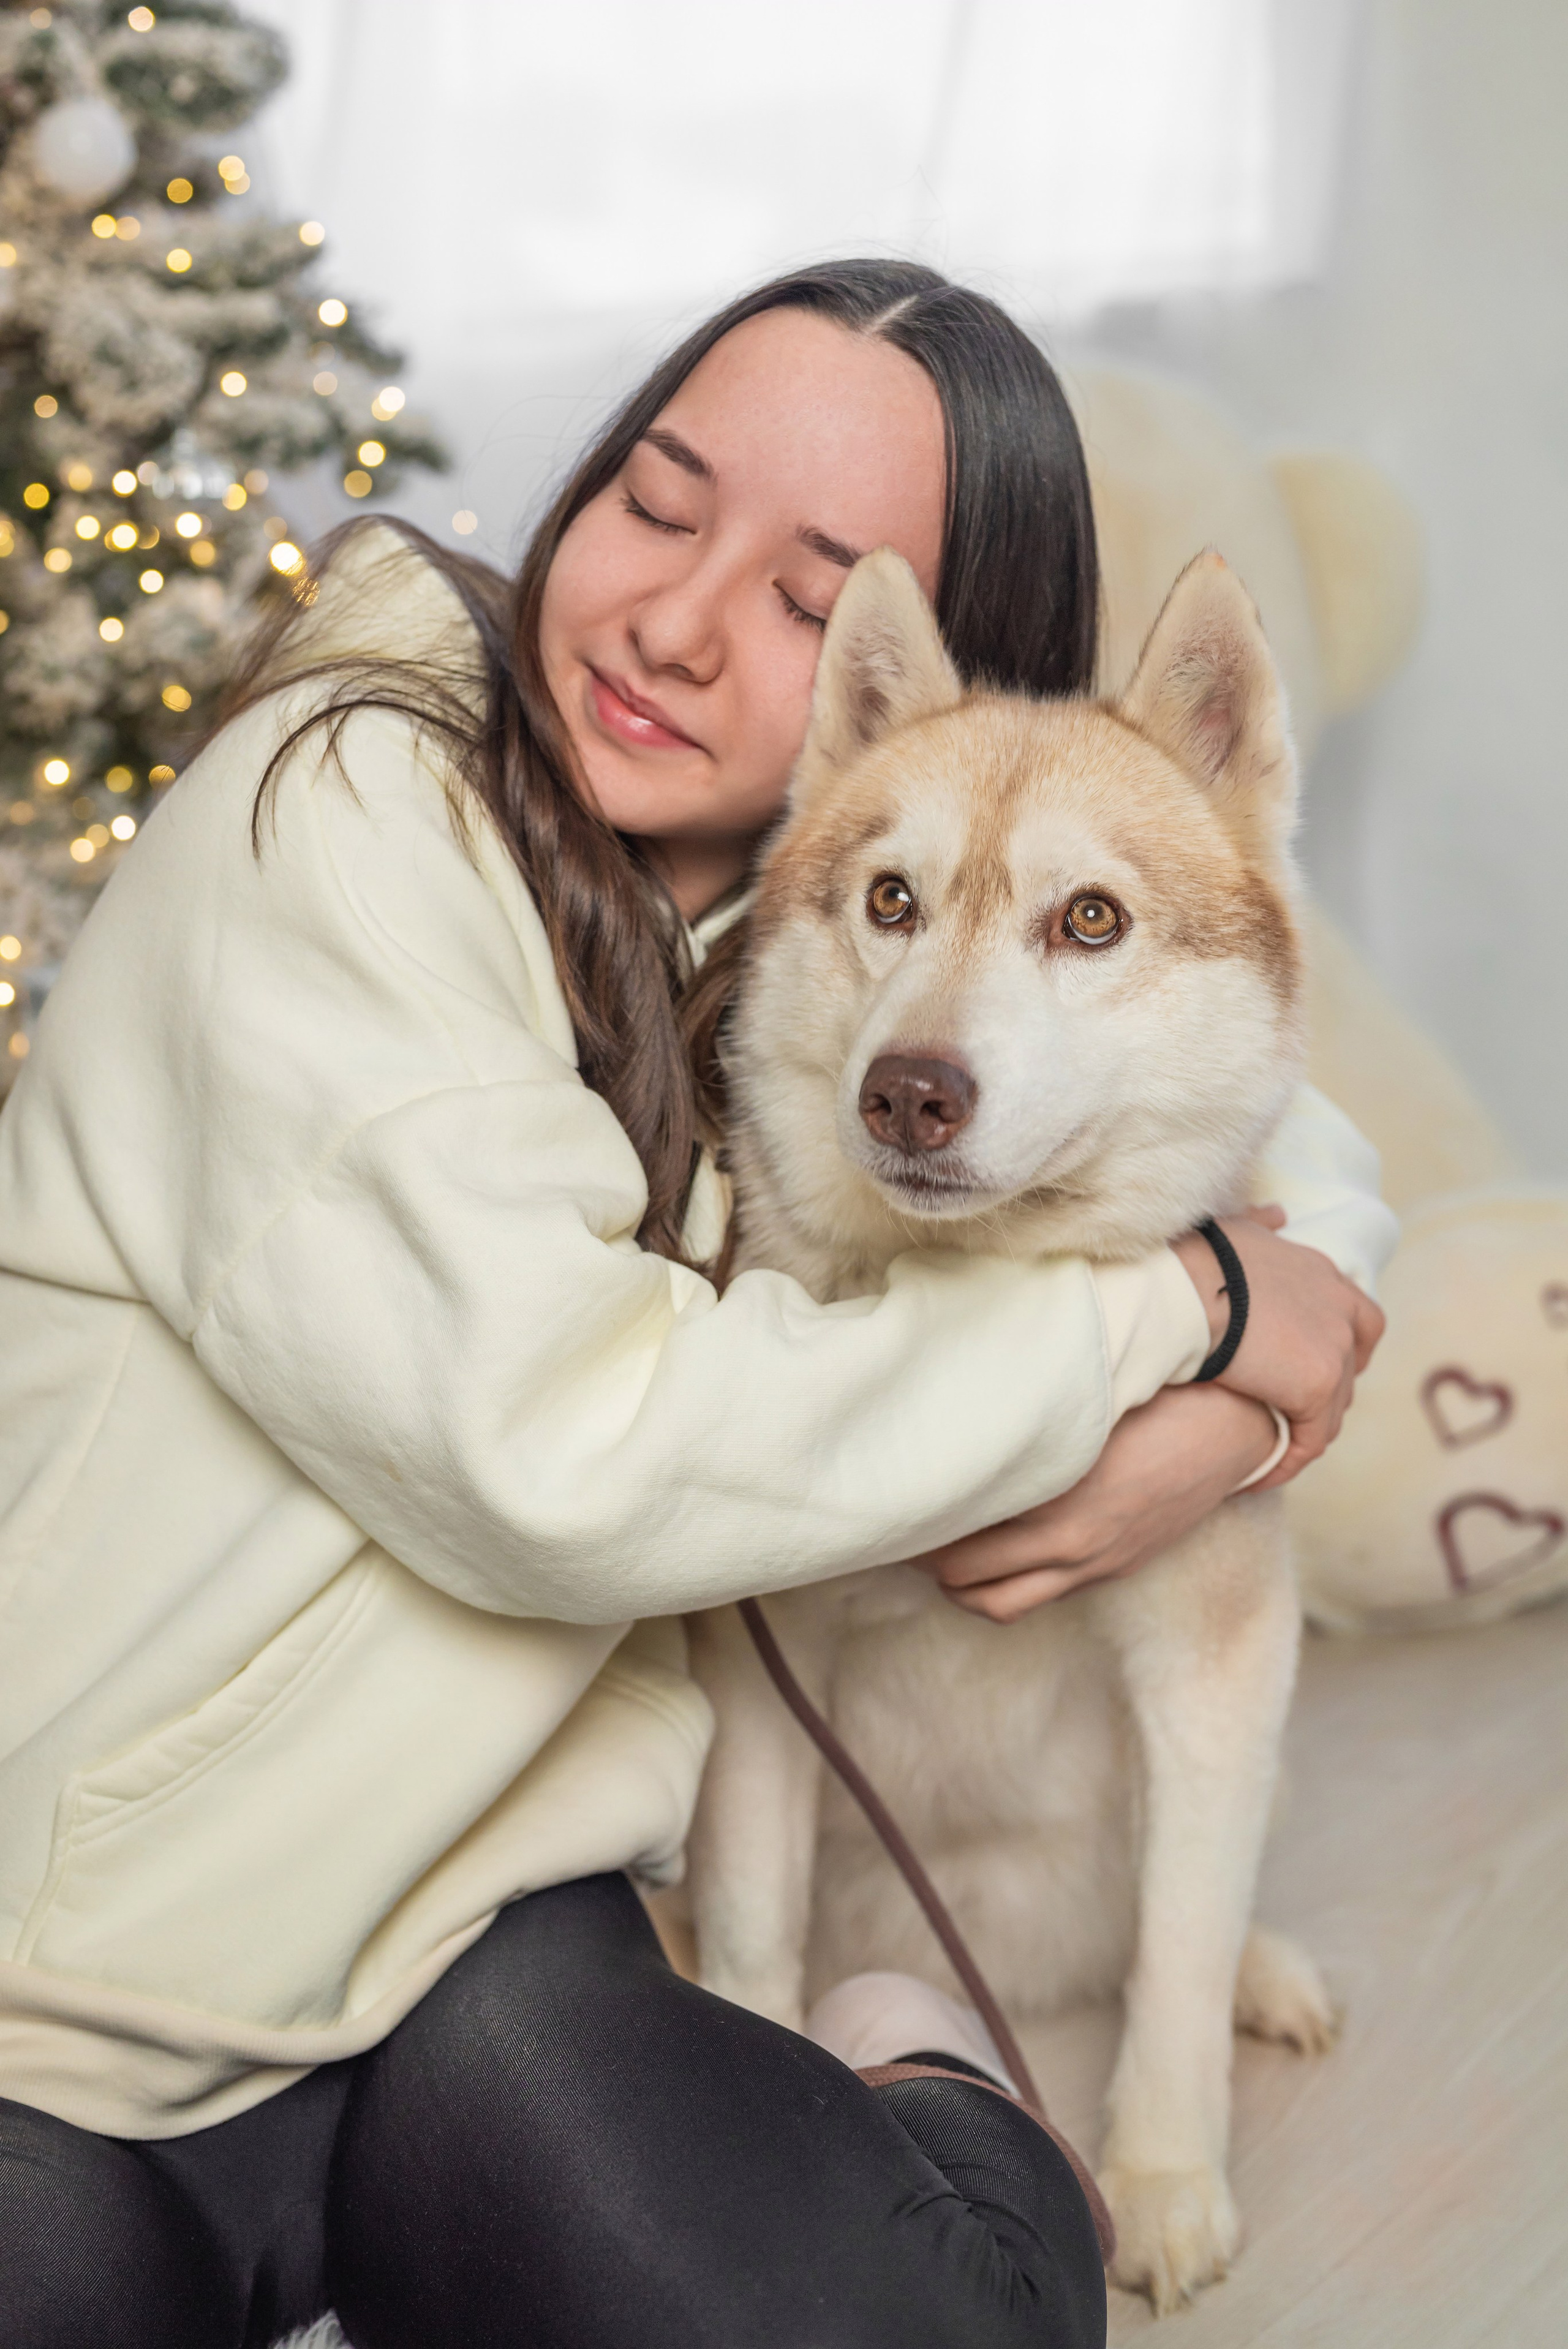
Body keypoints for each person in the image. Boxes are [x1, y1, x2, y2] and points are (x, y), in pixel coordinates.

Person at [0, 260, 1389, 2348]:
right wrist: (1194, 1314)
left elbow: (1233, 1086)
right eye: (659, 501)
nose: (670, 617)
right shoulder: (347, 807)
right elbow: (564, 1450)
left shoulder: (790, 928)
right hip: (75, 2008)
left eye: (816, 597)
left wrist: (1294, 1301)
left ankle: (914, 2041)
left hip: (479, 1946)